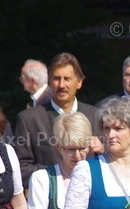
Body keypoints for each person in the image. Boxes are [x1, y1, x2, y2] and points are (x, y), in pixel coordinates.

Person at [14, 53, 102, 183]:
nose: (61, 85)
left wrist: (102, 151)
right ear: (49, 81)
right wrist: (58, 175)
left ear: (79, 82)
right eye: (56, 78)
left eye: (67, 79)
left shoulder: (96, 116)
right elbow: (21, 169)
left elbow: (112, 164)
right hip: (49, 198)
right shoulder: (29, 119)